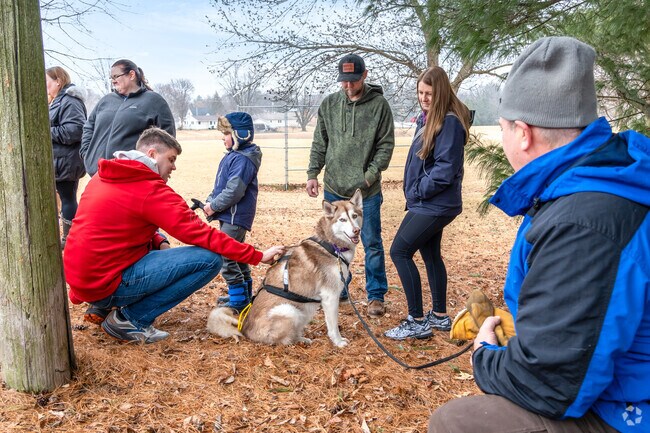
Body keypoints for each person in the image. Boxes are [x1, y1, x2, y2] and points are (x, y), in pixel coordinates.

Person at [428, 36, 650, 433]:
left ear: (524, 133)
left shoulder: (585, 220)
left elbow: (549, 385)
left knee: (456, 423)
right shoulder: (595, 182)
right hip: (616, 384)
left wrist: (485, 354)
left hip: (628, 411)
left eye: (503, 129)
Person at [63, 127, 284, 344]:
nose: (174, 167)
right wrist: (256, 255)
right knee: (208, 260)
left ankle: (104, 306)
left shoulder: (103, 177)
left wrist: (160, 241)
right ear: (152, 154)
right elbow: (200, 233)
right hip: (105, 282)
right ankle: (131, 319)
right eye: (171, 159)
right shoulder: (149, 189)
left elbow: (121, 225)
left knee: (158, 247)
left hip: (84, 280)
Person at [384, 67, 471, 340]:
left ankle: (417, 320)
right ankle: (440, 316)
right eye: (421, 92)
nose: (424, 97)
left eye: (429, 93)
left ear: (441, 92)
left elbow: (445, 168)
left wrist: (419, 190)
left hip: (434, 203)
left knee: (399, 251)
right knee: (430, 255)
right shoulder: (429, 119)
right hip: (428, 202)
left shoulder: (450, 122)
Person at [306, 53, 395, 317]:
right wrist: (313, 172)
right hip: (334, 188)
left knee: (371, 242)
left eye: (353, 81)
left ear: (364, 76)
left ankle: (376, 294)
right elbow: (320, 142)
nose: (348, 86)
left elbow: (385, 146)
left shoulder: (379, 106)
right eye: (344, 81)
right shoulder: (330, 104)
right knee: (334, 243)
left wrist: (369, 175)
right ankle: (339, 288)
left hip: (365, 192)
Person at [203, 112, 261, 312]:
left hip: (235, 216)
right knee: (237, 254)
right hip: (230, 215)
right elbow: (222, 187)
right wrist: (210, 201)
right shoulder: (235, 156)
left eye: (227, 133)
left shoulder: (243, 160)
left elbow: (234, 191)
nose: (223, 137)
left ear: (240, 134)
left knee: (225, 255)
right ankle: (243, 295)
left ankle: (239, 301)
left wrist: (214, 206)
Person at [80, 59, 175, 177]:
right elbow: (89, 127)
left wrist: (154, 167)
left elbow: (167, 138)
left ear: (131, 75)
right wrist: (87, 154)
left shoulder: (153, 101)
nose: (113, 81)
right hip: (98, 174)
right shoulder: (106, 100)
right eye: (111, 78)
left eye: (116, 76)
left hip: (131, 176)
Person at [45, 66, 87, 248]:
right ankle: (69, 238)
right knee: (64, 198)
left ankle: (70, 240)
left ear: (58, 81)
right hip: (58, 160)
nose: (45, 86)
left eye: (47, 82)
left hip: (66, 161)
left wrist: (45, 130)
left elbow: (75, 131)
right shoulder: (57, 101)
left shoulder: (70, 101)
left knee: (68, 198)